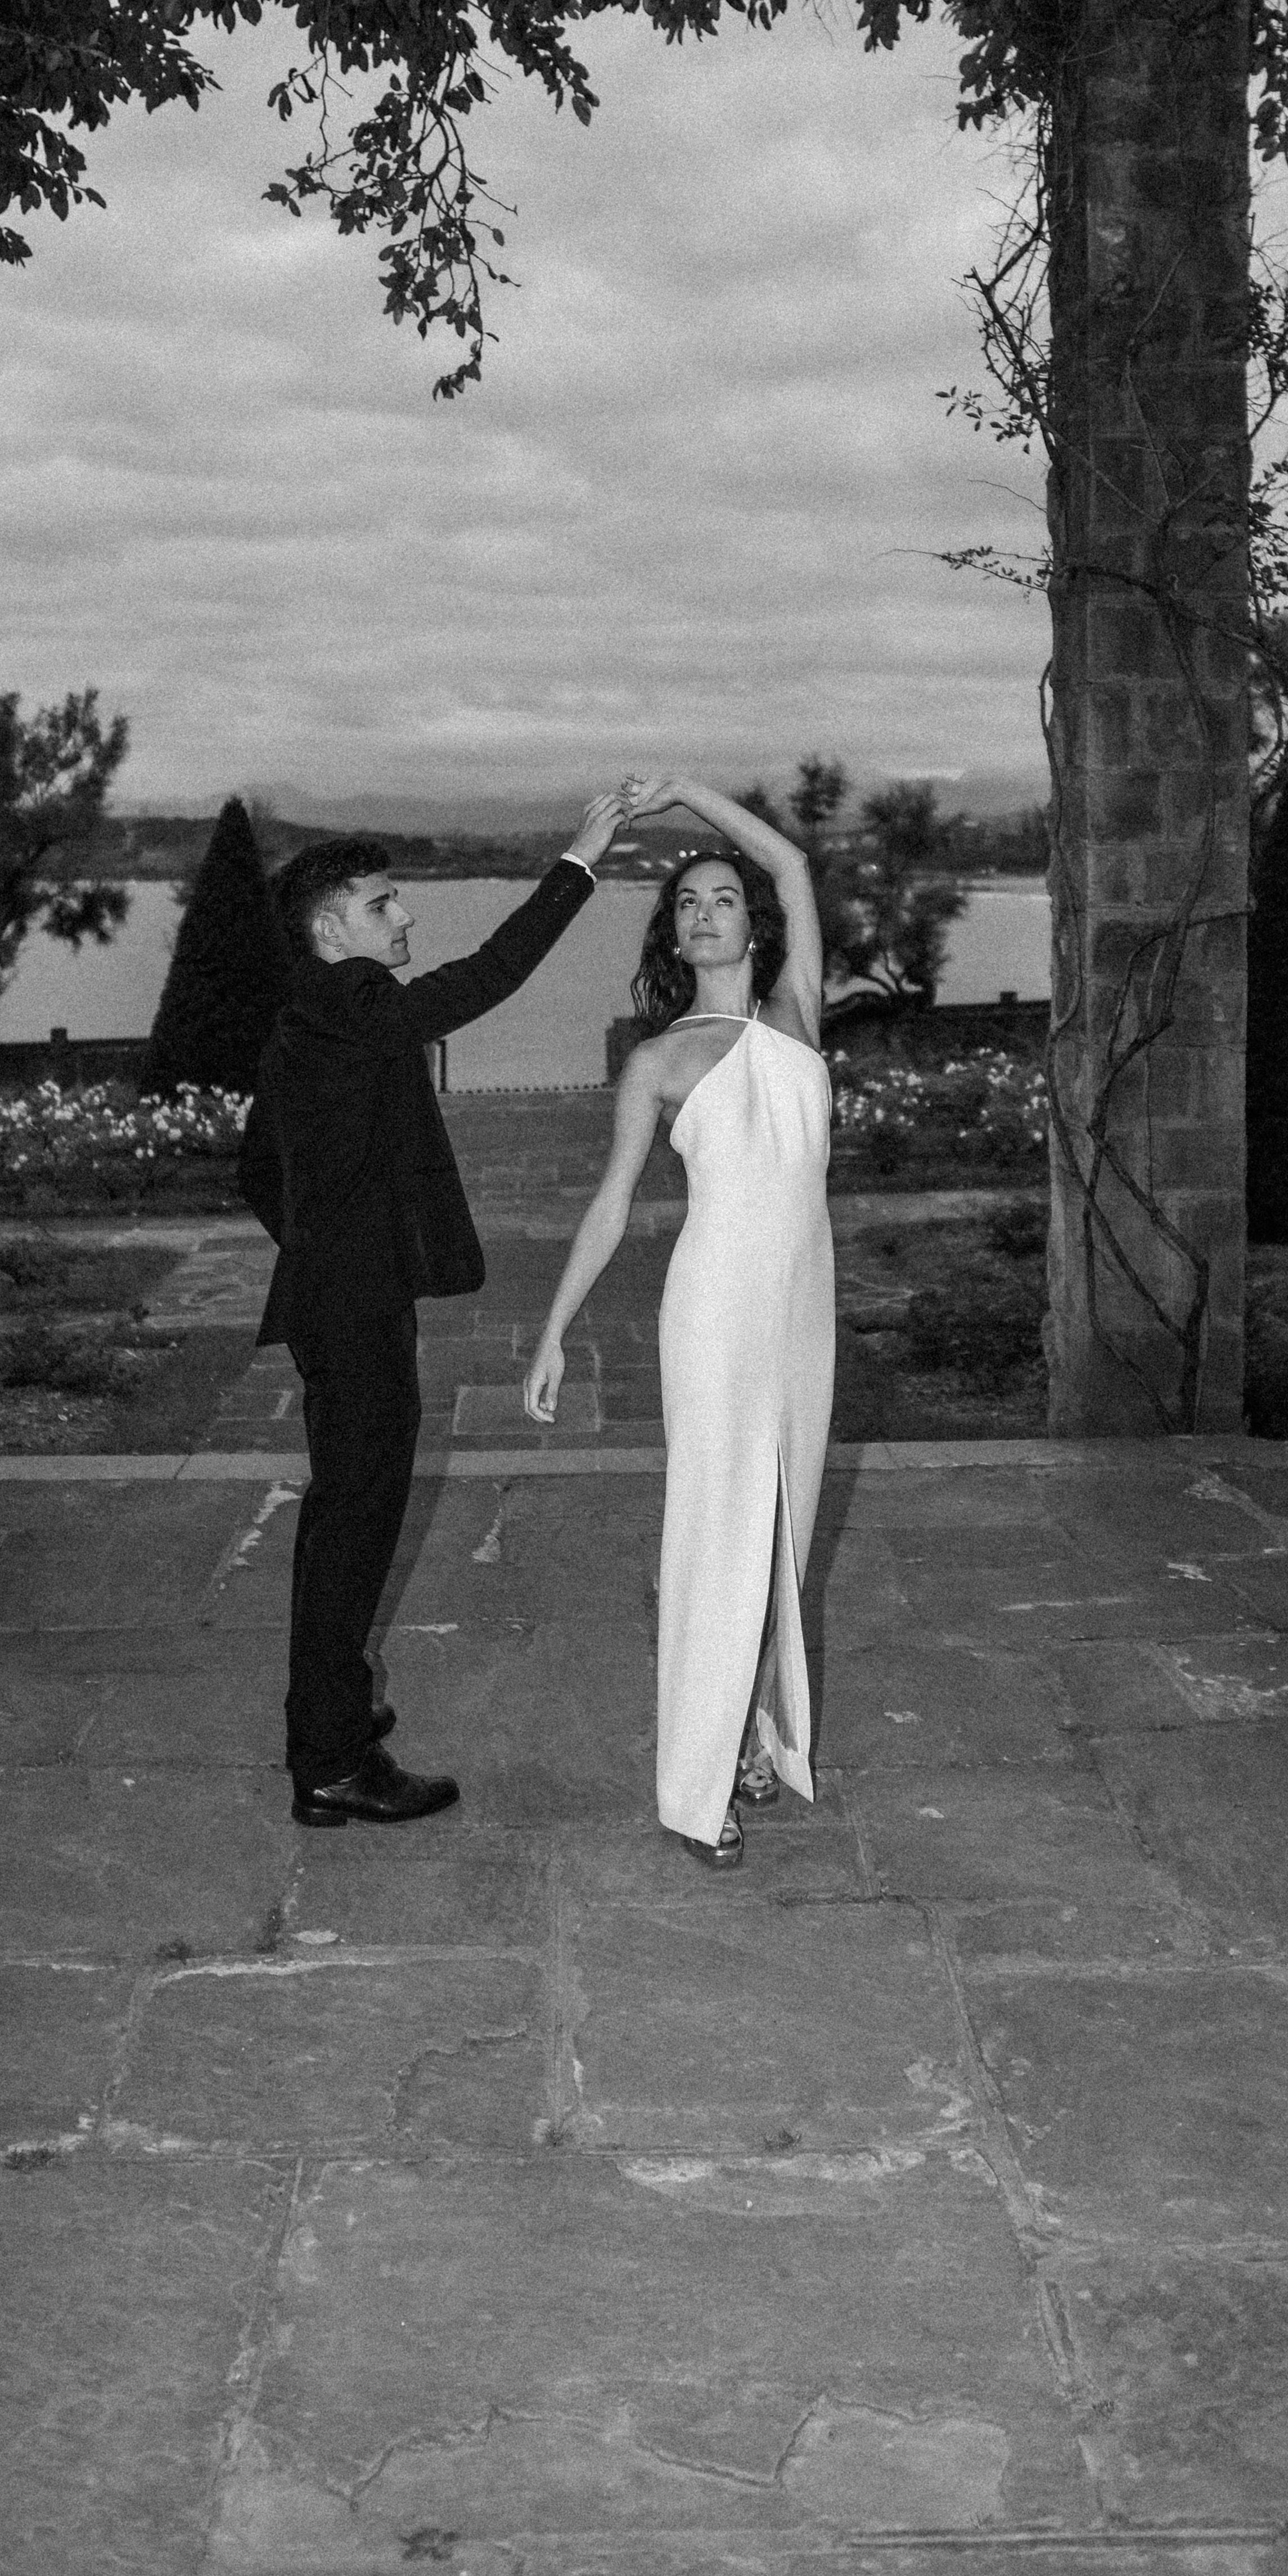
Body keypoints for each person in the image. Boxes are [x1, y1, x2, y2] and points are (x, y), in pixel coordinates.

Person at [239, 788, 634, 1826]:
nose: (405, 917)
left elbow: (254, 1168)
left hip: (346, 1299)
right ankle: (327, 1760)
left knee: (350, 1518)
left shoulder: (312, 1020)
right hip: (352, 1309)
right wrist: (579, 863)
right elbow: (485, 979)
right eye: (383, 905)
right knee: (354, 1524)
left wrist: (326, 1242)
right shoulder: (350, 1007)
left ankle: (335, 1733)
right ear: (331, 932)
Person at [522, 776, 832, 1868]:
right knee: (717, 1534)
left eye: (719, 898)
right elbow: (612, 1202)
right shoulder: (657, 1060)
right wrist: (557, 1326)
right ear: (675, 936)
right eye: (685, 904)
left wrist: (693, 794)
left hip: (805, 1306)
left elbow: (791, 862)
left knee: (783, 1535)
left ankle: (752, 1727)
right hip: (709, 1312)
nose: (704, 912)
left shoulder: (796, 1011)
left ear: (753, 923)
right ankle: (699, 1786)